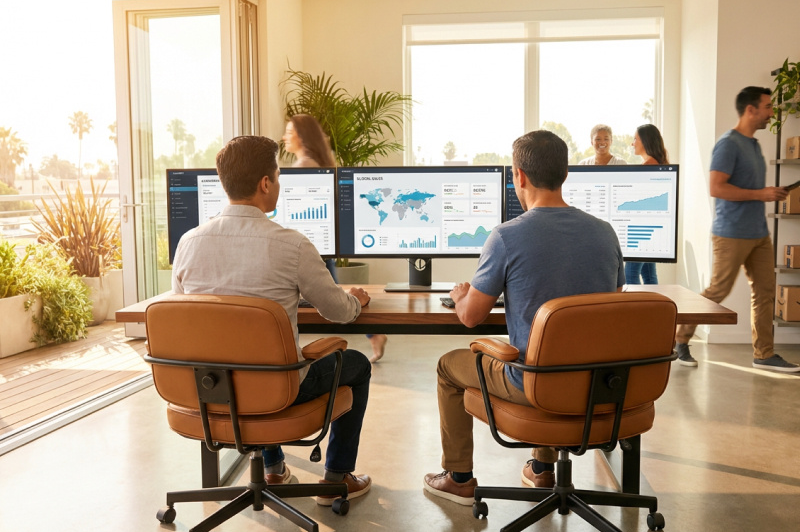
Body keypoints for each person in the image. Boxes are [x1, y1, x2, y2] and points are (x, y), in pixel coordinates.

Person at [423, 130, 625, 505]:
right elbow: (610, 311)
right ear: (565, 174)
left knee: (448, 367)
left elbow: (470, 318)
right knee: (558, 355)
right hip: (598, 385)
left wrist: (464, 295)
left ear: (518, 176)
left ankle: (458, 477)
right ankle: (542, 467)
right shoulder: (605, 233)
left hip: (534, 385)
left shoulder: (506, 237)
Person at [172, 135, 373, 504]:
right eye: (278, 177)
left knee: (246, 362)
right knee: (356, 364)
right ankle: (337, 478)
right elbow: (338, 312)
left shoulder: (188, 242)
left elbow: (188, 317)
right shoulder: (291, 245)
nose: (278, 184)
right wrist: (356, 300)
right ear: (266, 183)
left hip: (209, 390)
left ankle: (274, 468)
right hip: (274, 390)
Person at [674, 86, 799, 373]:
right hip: (730, 233)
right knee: (718, 290)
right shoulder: (728, 144)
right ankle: (680, 339)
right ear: (750, 110)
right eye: (767, 107)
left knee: (766, 291)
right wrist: (760, 194)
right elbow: (717, 187)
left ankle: (764, 354)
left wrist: (771, 193)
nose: (772, 113)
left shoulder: (753, 144)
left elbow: (753, 188)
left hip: (759, 233)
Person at [282, 114, 389, 363]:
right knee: (337, 293)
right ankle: (375, 334)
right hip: (319, 244)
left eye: (289, 131)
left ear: (302, 136)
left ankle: (375, 333)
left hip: (309, 244)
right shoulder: (319, 162)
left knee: (337, 298)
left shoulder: (303, 167)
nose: (285, 137)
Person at [626, 123, 669, 285]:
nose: (632, 143)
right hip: (651, 228)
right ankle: (655, 310)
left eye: (635, 139)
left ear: (645, 141)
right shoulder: (658, 163)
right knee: (649, 275)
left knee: (630, 274)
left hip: (640, 230)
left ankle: (637, 310)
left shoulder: (648, 166)